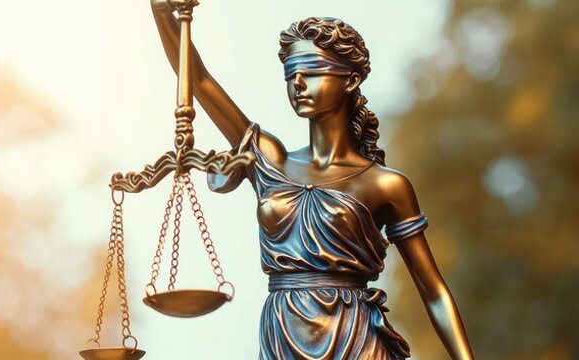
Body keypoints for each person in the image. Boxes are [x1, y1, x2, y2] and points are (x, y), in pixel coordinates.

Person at [149, 2, 475, 359]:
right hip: (282, 335)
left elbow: (433, 292)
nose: (298, 84)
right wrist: (162, 12)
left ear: (350, 80)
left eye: (313, 71)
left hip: (356, 339)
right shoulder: (269, 160)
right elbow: (198, 80)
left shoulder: (385, 185)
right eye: (290, 75)